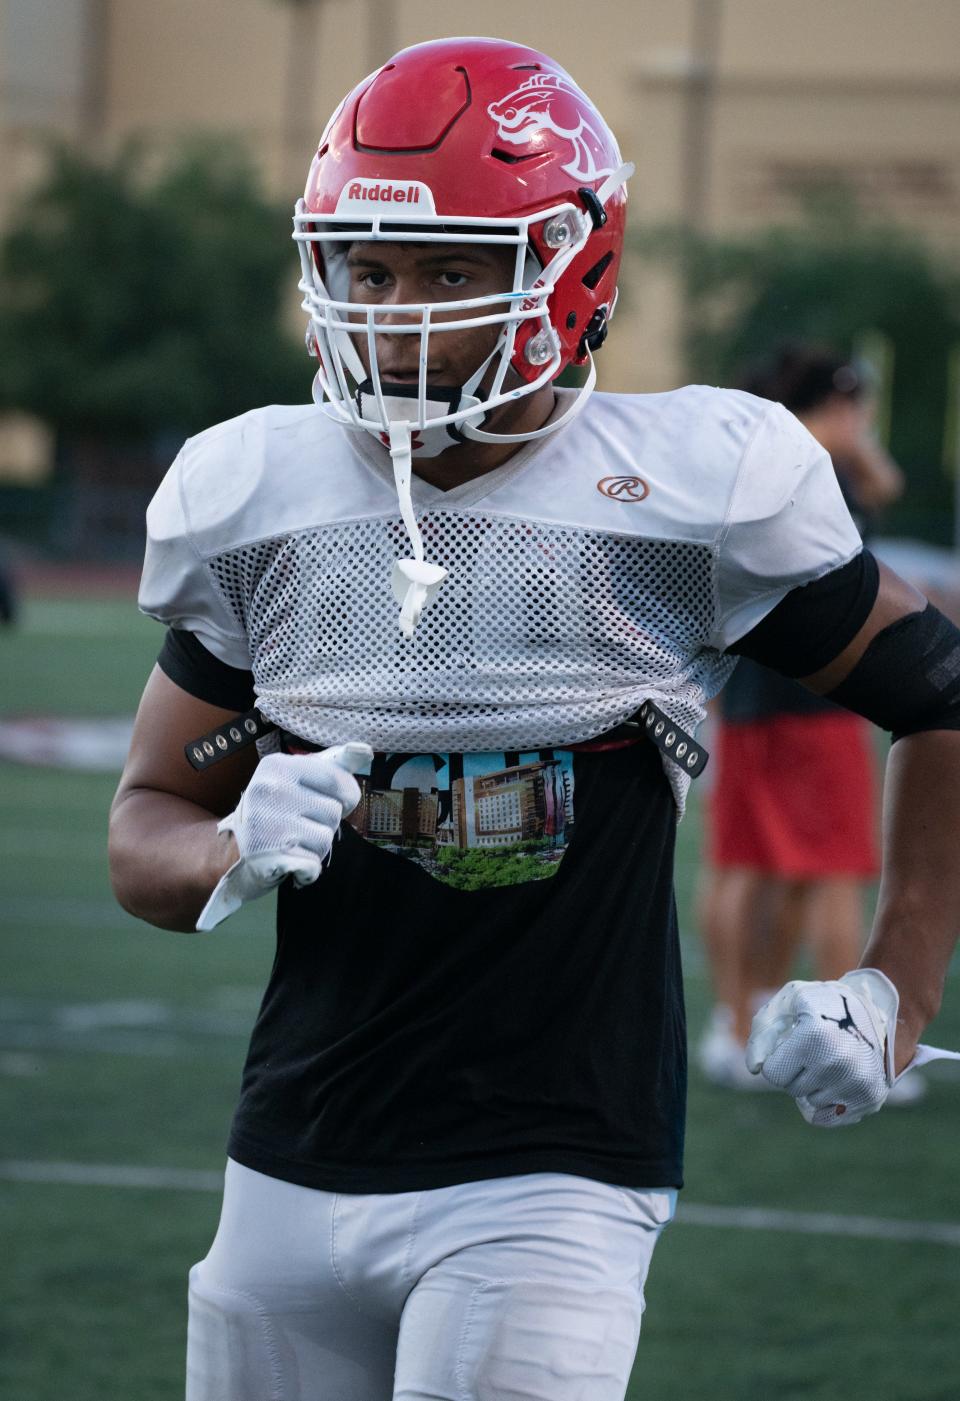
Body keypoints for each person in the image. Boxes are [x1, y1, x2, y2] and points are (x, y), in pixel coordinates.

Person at [108, 37, 960, 1401]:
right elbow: (147, 818)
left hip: (554, 1166)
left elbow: (939, 696)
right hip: (287, 1154)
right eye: (370, 271)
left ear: (578, 270)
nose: (398, 314)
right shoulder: (251, 495)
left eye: (452, 270)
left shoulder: (693, 489)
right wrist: (223, 848)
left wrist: (898, 982)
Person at [698, 346, 912, 1092]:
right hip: (811, 701)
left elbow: (885, 482)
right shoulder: (811, 472)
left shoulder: (773, 464)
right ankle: (849, 1040)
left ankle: (739, 1018)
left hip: (761, 695)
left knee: (762, 868)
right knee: (828, 872)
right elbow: (883, 484)